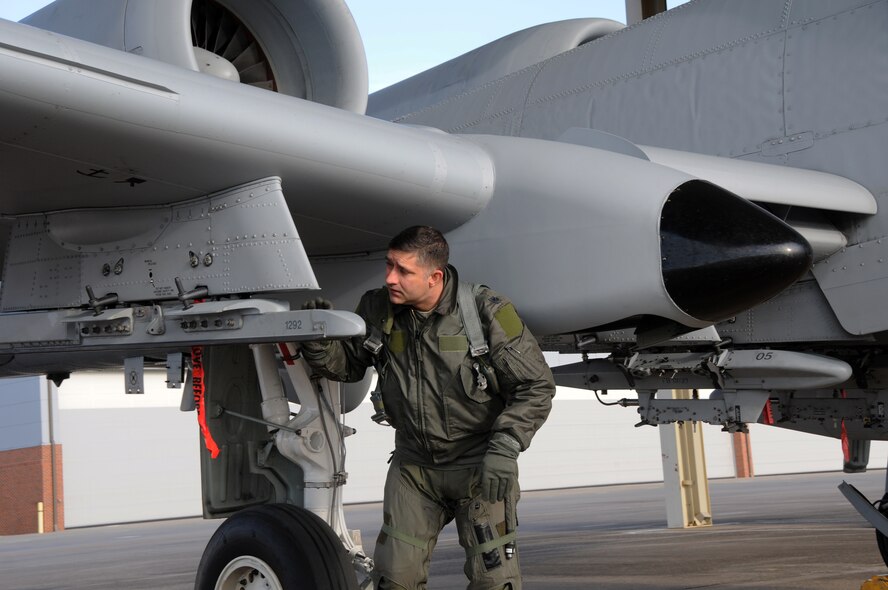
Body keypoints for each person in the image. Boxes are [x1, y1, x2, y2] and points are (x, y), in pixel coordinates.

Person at [302, 225, 554, 590]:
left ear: (434, 276)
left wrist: (506, 446)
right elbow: (349, 365)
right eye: (389, 265)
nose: (390, 278)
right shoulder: (378, 309)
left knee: (494, 582)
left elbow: (536, 385)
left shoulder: (486, 312)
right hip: (415, 469)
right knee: (394, 580)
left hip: (479, 467)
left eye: (403, 271)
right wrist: (318, 339)